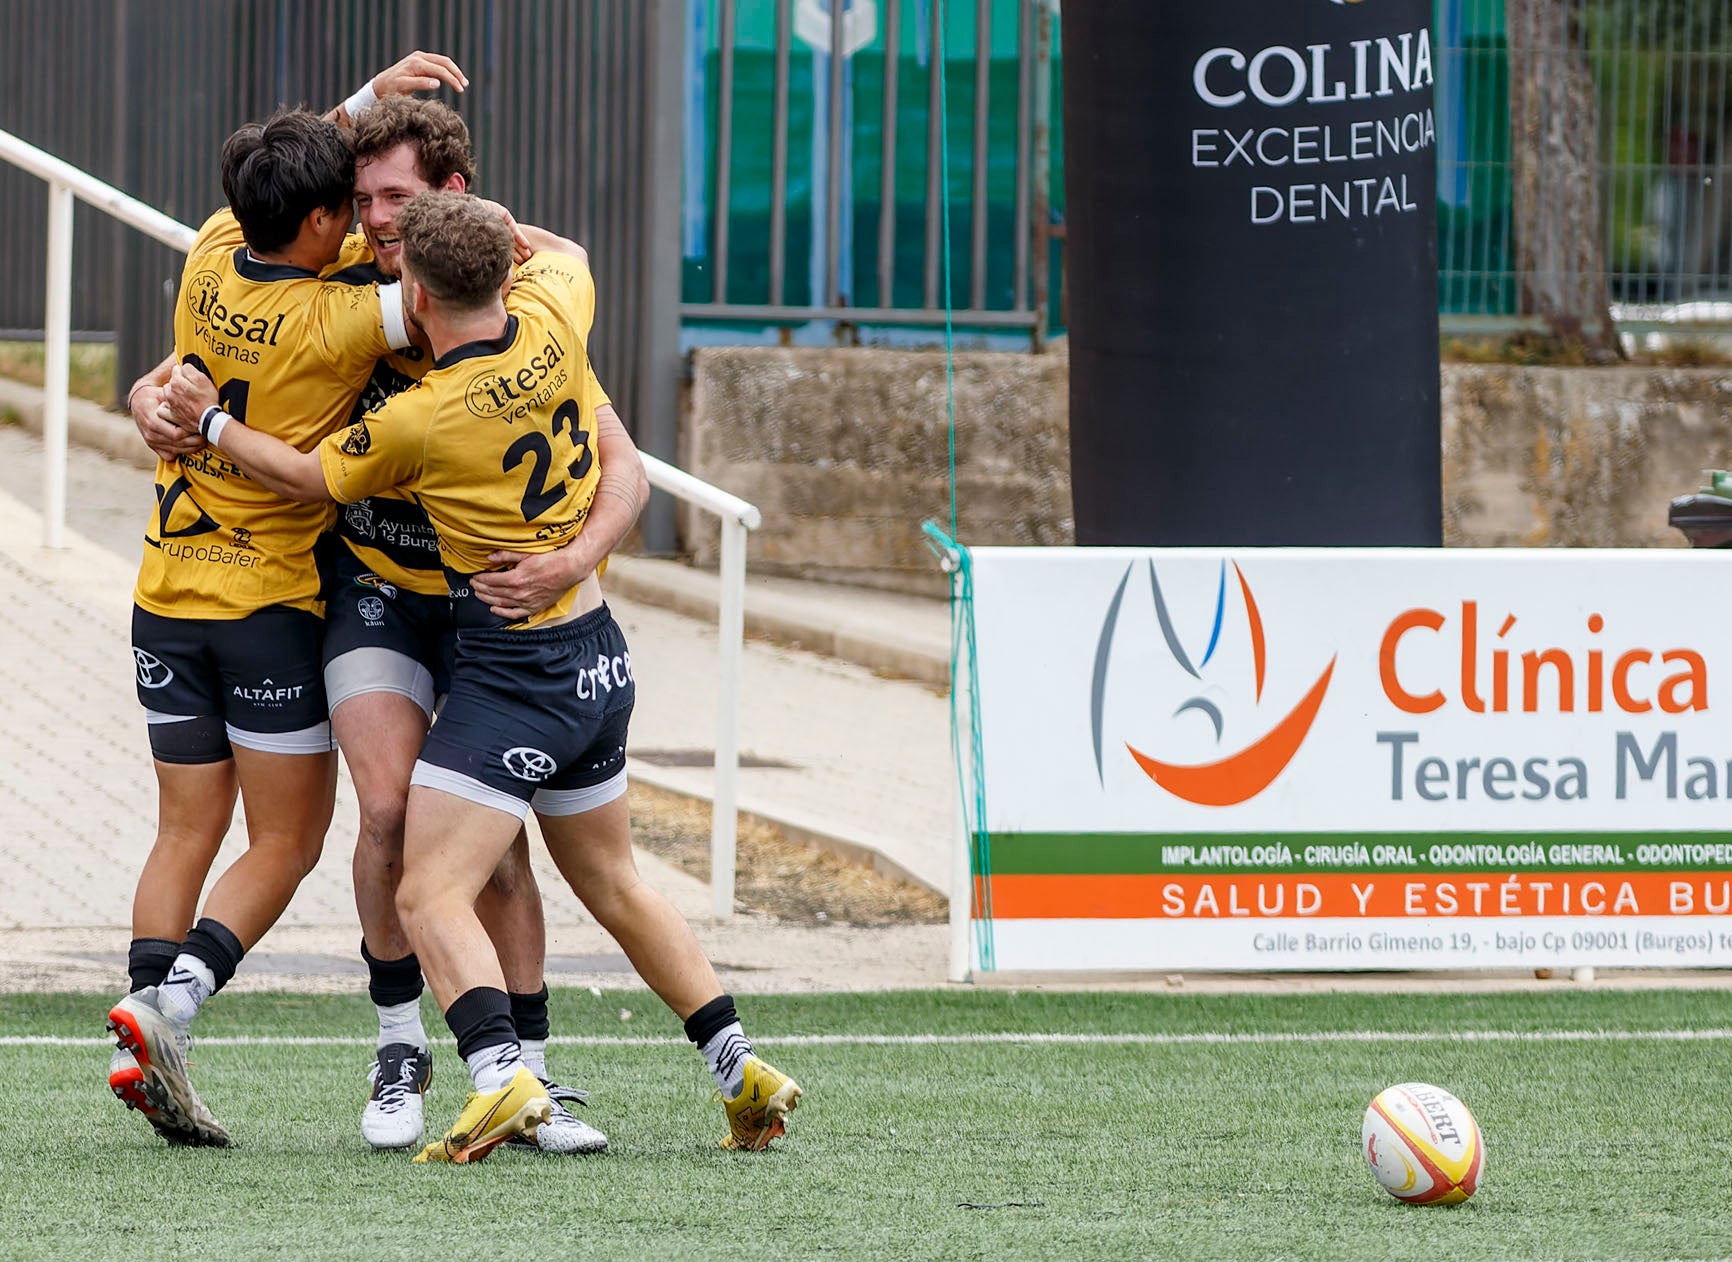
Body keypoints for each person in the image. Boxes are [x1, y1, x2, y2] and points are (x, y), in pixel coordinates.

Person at [164, 192, 802, 1161]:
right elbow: (573, 245)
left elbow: (303, 476)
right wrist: (499, 224)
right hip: (599, 656)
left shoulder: (420, 419)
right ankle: (738, 1062)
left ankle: (502, 1077)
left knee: (426, 892)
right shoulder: (556, 311)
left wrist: (208, 421)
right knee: (618, 881)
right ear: (510, 268)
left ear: (413, 295)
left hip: (516, 669)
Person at [138, 93, 617, 1155]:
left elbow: (617, 461)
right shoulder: (342, 280)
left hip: (490, 613)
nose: (370, 219)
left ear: (454, 196)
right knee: (390, 811)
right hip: (371, 591)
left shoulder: (516, 289)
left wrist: (578, 555)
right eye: (357, 200)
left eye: (393, 197)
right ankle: (398, 1044)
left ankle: (527, 1067)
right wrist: (158, 391)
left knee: (495, 855)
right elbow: (253, 278)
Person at [106, 105, 421, 1148]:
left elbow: (280, 163)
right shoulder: (341, 318)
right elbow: (439, 296)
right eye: (351, 211)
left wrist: (363, 101)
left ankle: (141, 1035)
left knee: (182, 828)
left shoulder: (208, 247)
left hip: (162, 592)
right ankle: (173, 1002)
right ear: (327, 218)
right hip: (267, 610)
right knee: (285, 840)